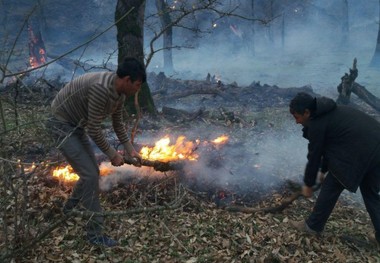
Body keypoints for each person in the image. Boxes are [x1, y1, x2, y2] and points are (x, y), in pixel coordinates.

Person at [47, 57, 146, 247]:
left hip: (76, 126)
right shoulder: (101, 89)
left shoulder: (119, 94)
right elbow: (94, 129)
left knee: (91, 172)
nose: (138, 90)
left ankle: (69, 209)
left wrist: (130, 149)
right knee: (91, 175)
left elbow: (117, 124)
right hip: (61, 125)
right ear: (126, 80)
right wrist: (112, 154)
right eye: (137, 84)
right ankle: (95, 234)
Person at [288, 92, 380, 247]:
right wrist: (323, 171)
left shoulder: (317, 123)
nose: (297, 122)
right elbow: (331, 147)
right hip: (376, 148)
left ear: (307, 112)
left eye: (297, 117)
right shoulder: (328, 113)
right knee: (370, 194)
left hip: (362, 151)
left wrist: (308, 184)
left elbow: (315, 155)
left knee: (332, 185)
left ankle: (312, 226)